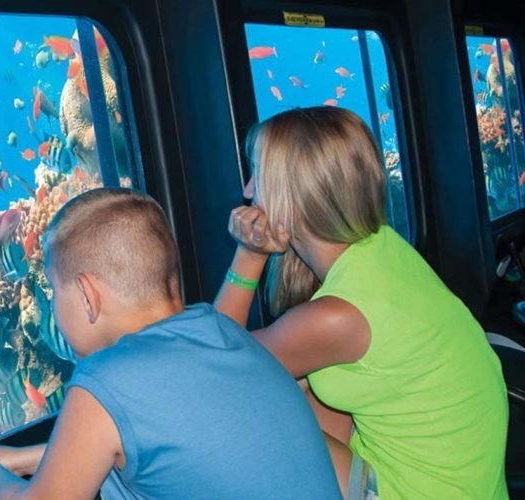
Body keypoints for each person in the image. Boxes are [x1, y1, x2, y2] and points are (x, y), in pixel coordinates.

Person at [0, 188, 340, 499]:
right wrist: (18, 458)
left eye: (52, 291)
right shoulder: (221, 329)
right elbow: (153, 440)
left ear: (86, 296)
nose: (52, 307)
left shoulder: (105, 380)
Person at [215, 106, 509, 499]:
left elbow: (214, 369)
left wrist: (248, 255)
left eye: (259, 175)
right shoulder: (383, 247)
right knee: (292, 384)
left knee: (241, 416)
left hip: (420, 491)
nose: (249, 191)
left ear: (294, 195)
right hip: (468, 484)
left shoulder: (338, 316)